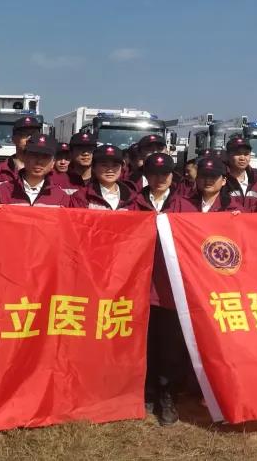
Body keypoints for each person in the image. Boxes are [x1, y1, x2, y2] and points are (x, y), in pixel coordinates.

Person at [128, 152, 191, 425]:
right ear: (146, 175)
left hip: (171, 287)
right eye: (154, 173)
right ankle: (147, 389)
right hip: (138, 284)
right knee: (144, 341)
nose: (159, 178)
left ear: (172, 176)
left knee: (170, 343)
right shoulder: (133, 203)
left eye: (164, 174)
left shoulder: (185, 205)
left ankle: (167, 394)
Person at [0, 135, 72, 207]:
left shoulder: (61, 197)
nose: (39, 161)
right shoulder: (1, 192)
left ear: (53, 162)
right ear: (24, 157)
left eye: (45, 156)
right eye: (34, 155)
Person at [0, 115, 42, 196]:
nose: (30, 138)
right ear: (13, 139)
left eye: (34, 134)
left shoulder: (47, 173)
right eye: (24, 134)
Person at [74, 144, 135, 210]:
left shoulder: (132, 197)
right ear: (93, 167)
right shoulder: (81, 196)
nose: (110, 170)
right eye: (104, 165)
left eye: (115, 165)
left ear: (122, 168)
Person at [52, 132, 97, 197]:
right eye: (80, 149)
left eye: (90, 149)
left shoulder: (103, 180)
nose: (86, 153)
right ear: (71, 153)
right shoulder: (57, 181)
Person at [224, 137, 257, 203]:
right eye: (238, 154)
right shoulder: (220, 181)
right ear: (227, 155)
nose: (242, 158)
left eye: (246, 154)